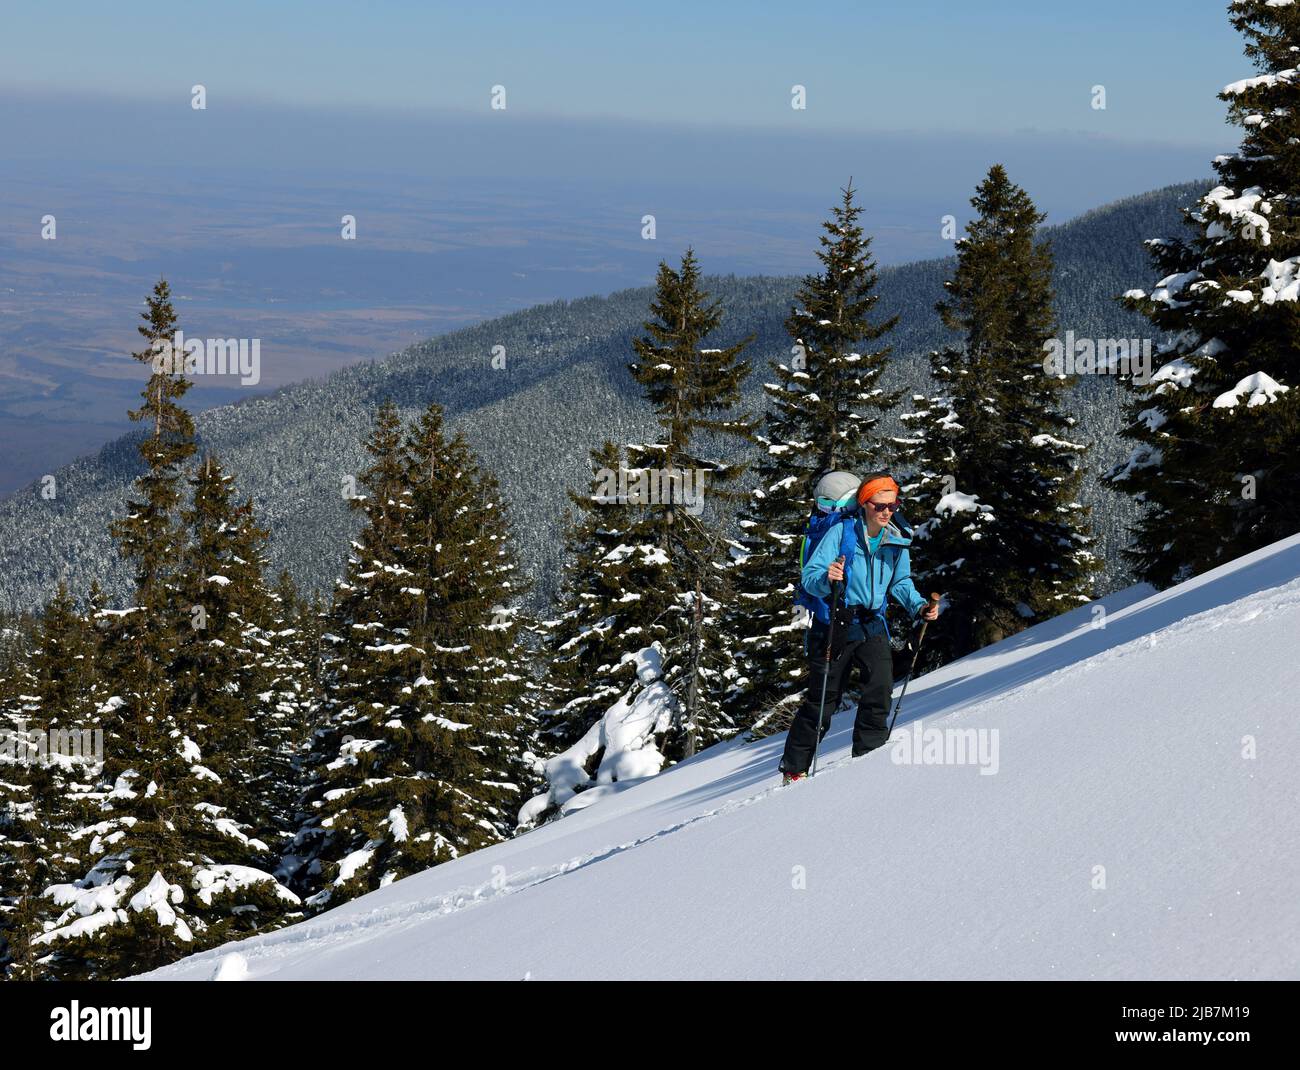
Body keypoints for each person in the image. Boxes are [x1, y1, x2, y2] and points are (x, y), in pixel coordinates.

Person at [779, 471, 941, 783]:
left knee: (880, 690)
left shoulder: (896, 537)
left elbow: (901, 582)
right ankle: (794, 769)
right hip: (835, 622)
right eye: (880, 506)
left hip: (872, 622)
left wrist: (918, 607)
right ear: (864, 504)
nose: (886, 512)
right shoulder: (840, 532)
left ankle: (869, 759)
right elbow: (810, 576)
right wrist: (828, 578)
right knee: (824, 701)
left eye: (892, 506)